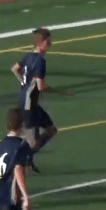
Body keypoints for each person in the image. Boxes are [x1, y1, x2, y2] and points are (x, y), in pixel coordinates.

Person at [11, 28, 71, 173]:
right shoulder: (40, 61)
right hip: (29, 105)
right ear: (40, 43)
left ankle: (26, 157)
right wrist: (58, 91)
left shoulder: (28, 56)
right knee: (33, 142)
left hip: (31, 103)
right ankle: (18, 160)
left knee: (51, 130)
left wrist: (23, 83)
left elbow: (15, 68)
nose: (50, 44)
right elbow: (41, 86)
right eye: (47, 41)